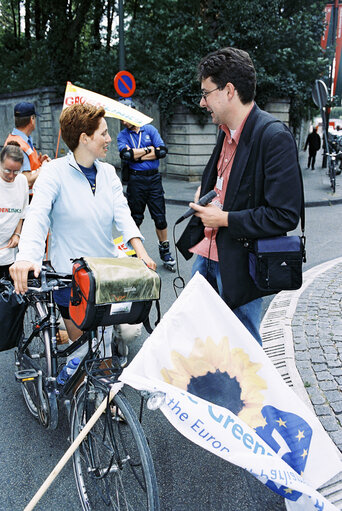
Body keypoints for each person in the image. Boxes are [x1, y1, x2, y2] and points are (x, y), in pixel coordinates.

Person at [176, 47, 302, 345]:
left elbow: (284, 215)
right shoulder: (225, 131)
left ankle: (252, 395)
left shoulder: (274, 137)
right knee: (198, 342)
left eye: (206, 93)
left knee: (243, 353)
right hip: (206, 253)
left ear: (228, 90)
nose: (202, 101)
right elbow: (225, 184)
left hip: (241, 264)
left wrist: (224, 219)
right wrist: (205, 194)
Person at [10, 103, 156, 347]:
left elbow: (123, 214)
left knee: (116, 342)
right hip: (70, 278)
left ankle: (112, 348)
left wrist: (141, 253)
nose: (110, 138)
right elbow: (37, 215)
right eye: (104, 133)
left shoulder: (108, 173)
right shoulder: (53, 172)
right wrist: (26, 257)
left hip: (107, 275)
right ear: (85, 138)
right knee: (83, 352)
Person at [117, 99, 176, 271]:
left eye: (123, 116)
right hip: (136, 180)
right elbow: (126, 155)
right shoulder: (123, 135)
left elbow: (162, 151)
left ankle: (165, 251)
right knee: (136, 217)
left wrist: (139, 155)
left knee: (160, 217)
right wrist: (151, 151)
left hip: (154, 179)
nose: (122, 121)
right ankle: (135, 251)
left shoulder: (149, 129)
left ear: (132, 113)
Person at [4, 102, 50, 192]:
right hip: (26, 200)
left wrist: (39, 163)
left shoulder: (20, 140)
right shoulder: (18, 146)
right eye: (35, 118)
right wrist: (45, 167)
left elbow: (26, 167)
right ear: (32, 119)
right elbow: (27, 180)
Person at [0, 143, 28, 279]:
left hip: (9, 256)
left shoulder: (22, 182)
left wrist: (17, 234)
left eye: (16, 171)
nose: (11, 176)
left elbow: (22, 213)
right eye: (7, 170)